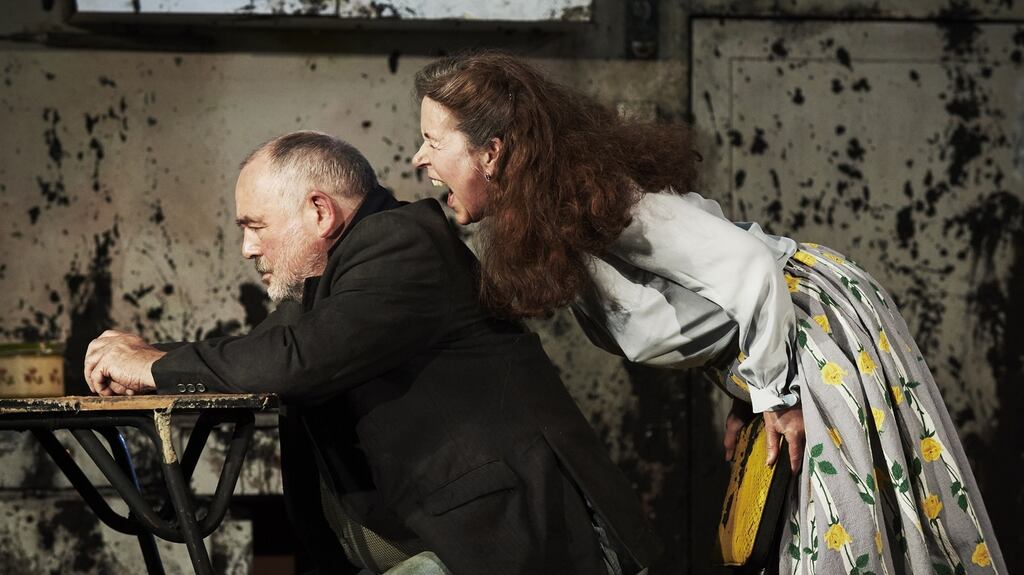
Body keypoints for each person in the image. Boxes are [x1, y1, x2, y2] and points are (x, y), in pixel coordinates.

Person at [410, 51, 1006, 574]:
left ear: (491, 152)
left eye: (434, 142)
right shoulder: (562, 218)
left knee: (841, 535)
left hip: (820, 334)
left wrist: (775, 391)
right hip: (785, 341)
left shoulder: (605, 206)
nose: (419, 159)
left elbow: (750, 268)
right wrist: (748, 390)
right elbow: (710, 305)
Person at [83, 131, 662, 575]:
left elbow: (295, 362)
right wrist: (147, 358)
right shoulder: (339, 274)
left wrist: (150, 366)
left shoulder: (400, 243)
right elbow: (266, 353)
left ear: (318, 211)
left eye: (255, 225)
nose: (246, 248)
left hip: (507, 546)